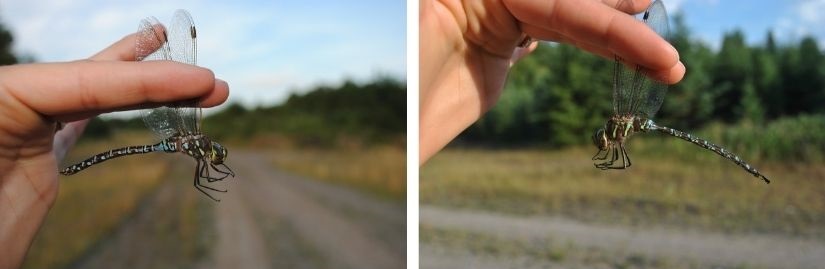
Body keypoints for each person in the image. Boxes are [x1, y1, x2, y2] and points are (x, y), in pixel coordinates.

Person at [0, 32, 229, 268]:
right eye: (215, 154)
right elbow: (201, 180)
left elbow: (203, 178)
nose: (214, 157)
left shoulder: (201, 148)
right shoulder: (199, 144)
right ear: (210, 151)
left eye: (216, 156)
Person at [419, 0, 685, 164]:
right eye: (603, 141)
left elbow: (620, 160)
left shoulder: (620, 121)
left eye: (603, 140)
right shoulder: (620, 123)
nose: (603, 141)